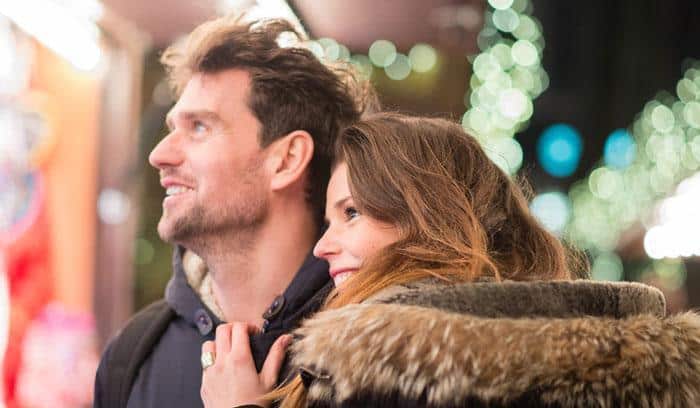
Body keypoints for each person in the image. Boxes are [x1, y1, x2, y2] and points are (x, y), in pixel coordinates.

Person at [202, 113, 700, 407]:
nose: (321, 247)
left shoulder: (390, 373)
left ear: (432, 216)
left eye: (351, 213)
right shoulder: (638, 365)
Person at [93, 14, 375, 408]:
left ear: (287, 159)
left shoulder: (381, 357)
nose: (159, 155)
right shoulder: (132, 356)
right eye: (173, 128)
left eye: (200, 127)